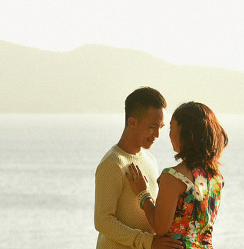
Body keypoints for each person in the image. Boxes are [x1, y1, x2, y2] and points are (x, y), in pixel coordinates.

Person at [126, 101, 228, 248]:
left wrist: (143, 194)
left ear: (185, 132)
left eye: (171, 127)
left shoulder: (173, 177)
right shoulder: (216, 178)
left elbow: (160, 227)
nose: (169, 134)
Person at [95, 87, 184, 249]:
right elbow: (103, 221)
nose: (157, 135)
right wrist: (147, 242)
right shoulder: (112, 163)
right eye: (152, 127)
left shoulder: (151, 160)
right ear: (132, 122)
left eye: (160, 127)